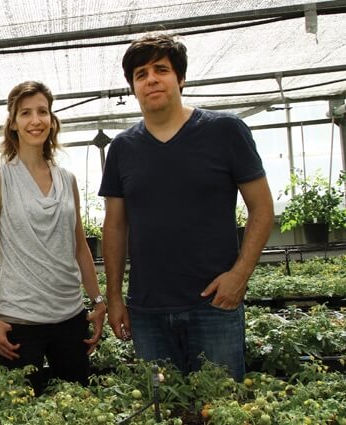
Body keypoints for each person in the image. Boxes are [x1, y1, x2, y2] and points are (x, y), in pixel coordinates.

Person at [99, 34, 274, 381]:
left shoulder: (225, 131)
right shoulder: (122, 148)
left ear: (180, 78)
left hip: (214, 304)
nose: (151, 79)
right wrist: (115, 297)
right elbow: (115, 226)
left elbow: (262, 208)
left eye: (160, 70)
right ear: (133, 88)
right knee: (164, 409)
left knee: (220, 406)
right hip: (147, 310)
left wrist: (239, 276)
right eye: (140, 74)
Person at [0, 81, 106, 394]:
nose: (35, 120)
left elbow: (79, 246)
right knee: (20, 408)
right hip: (20, 323)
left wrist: (98, 300)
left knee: (78, 403)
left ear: (52, 119)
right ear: (13, 123)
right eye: (25, 113)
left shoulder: (67, 179)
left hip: (70, 318)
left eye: (42, 112)